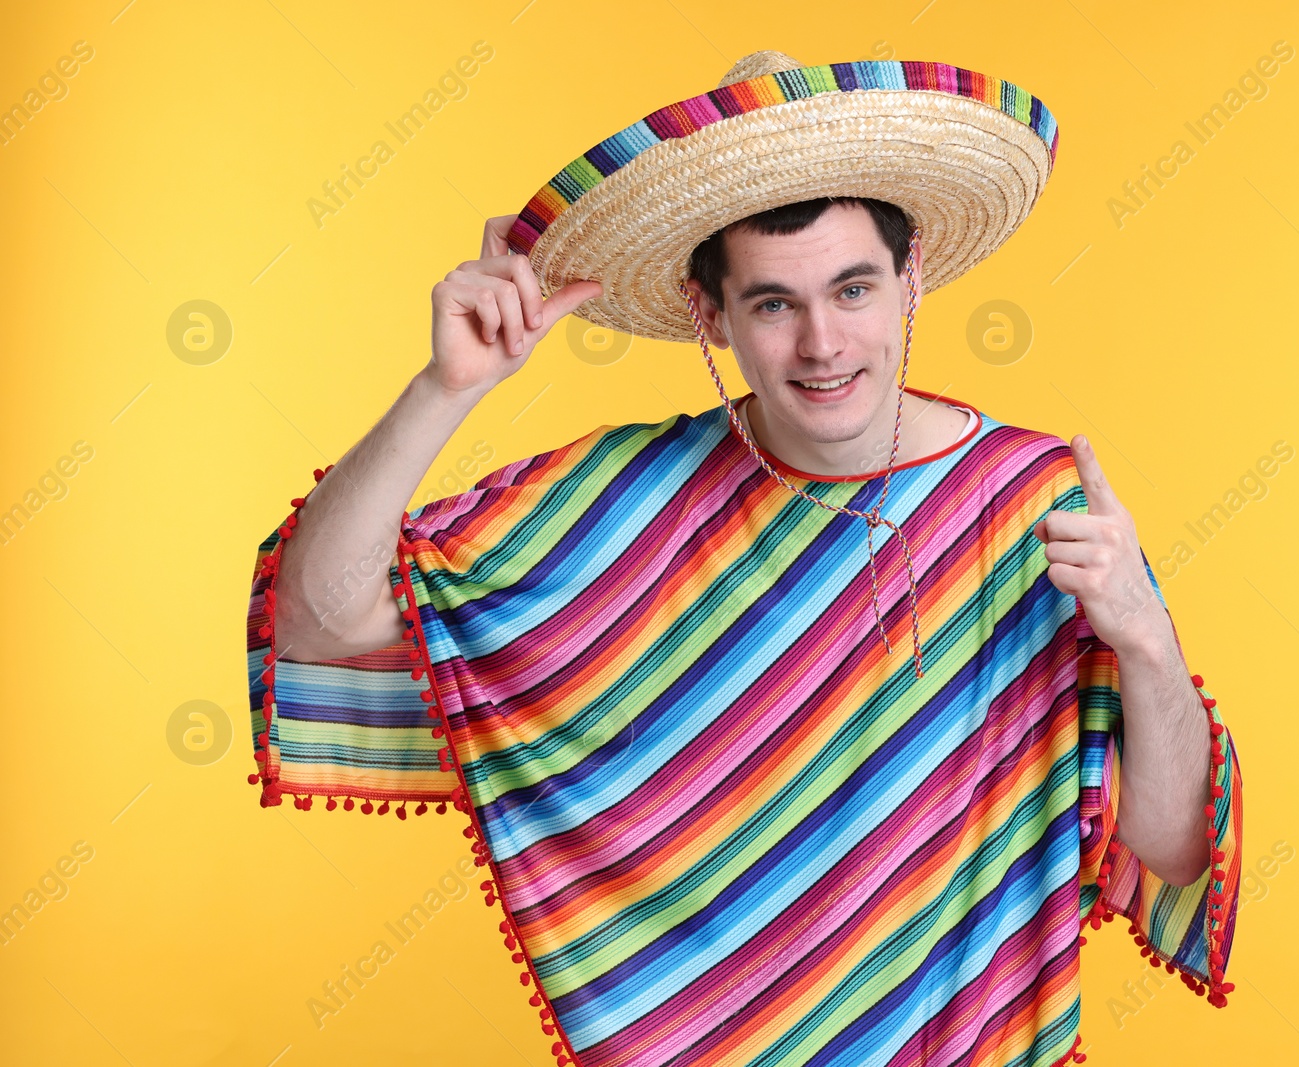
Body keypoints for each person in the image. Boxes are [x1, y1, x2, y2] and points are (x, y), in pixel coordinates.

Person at [246, 51, 1242, 1067]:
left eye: (853, 287)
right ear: (710, 315)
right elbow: (323, 617)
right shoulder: (627, 504)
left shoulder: (1038, 503)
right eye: (772, 303)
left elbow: (1168, 848)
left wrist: (1146, 641)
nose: (822, 341)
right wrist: (446, 387)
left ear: (910, 279)